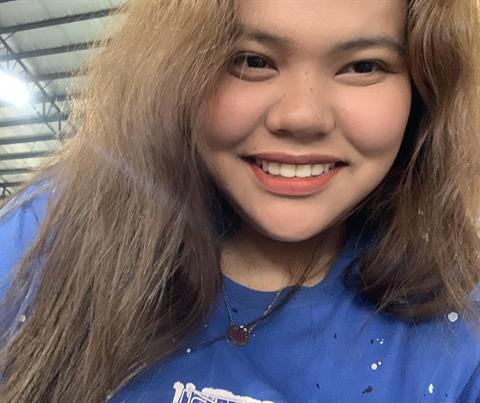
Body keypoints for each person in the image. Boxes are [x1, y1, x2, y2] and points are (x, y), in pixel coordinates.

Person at [0, 0, 479, 402]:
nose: (302, 116)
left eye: (363, 66)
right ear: (171, 74)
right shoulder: (43, 240)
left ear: (424, 89)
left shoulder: (459, 333)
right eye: (252, 60)